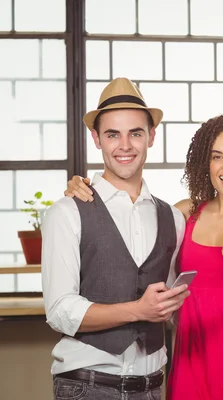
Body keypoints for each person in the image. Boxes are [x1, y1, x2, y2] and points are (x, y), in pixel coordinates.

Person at [65, 114, 223, 400]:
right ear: (206, 164)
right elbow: (130, 219)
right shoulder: (184, 214)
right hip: (191, 357)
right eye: (217, 157)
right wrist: (86, 188)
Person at [42, 77, 190, 400]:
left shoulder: (173, 219)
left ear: (151, 136)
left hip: (152, 388)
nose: (125, 146)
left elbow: (171, 304)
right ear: (96, 139)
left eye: (135, 133)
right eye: (113, 134)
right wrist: (138, 309)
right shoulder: (66, 213)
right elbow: (60, 310)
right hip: (88, 387)